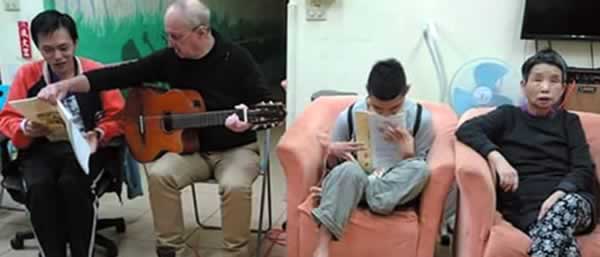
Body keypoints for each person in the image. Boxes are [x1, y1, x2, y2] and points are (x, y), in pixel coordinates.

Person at [37, 1, 275, 256]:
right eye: (167, 36)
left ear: (202, 32)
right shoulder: (171, 58)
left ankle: (234, 253)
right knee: (160, 175)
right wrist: (68, 85)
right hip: (190, 150)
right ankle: (172, 250)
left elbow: (263, 102)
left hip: (236, 149)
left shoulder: (236, 58)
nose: (170, 43)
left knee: (234, 186)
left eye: (175, 36)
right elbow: (121, 74)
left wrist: (247, 120)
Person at [0, 10, 124, 257]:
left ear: (75, 42)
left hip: (85, 148)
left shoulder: (94, 72)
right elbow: (6, 118)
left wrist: (99, 134)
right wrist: (25, 128)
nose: (57, 56)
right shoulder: (28, 75)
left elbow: (119, 118)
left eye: (63, 48)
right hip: (40, 149)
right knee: (39, 188)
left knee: (72, 185)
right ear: (39, 48)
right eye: (48, 50)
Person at [455, 49, 598, 257]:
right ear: (523, 86)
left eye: (554, 81)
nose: (545, 88)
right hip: (526, 209)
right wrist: (497, 157)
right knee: (564, 247)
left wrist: (560, 194)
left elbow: (583, 169)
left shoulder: (569, 122)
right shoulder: (507, 116)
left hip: (573, 202)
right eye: (537, 80)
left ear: (563, 88)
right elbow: (466, 129)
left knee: (561, 213)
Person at [311, 58, 434, 257]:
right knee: (348, 170)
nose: (385, 116)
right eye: (377, 109)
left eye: (394, 110)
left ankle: (369, 194)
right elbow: (331, 168)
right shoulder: (349, 115)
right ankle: (322, 248)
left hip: (390, 193)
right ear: (367, 92)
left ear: (406, 91)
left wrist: (408, 153)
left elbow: (416, 177)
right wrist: (333, 152)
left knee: (420, 169)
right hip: (356, 183)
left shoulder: (422, 119)